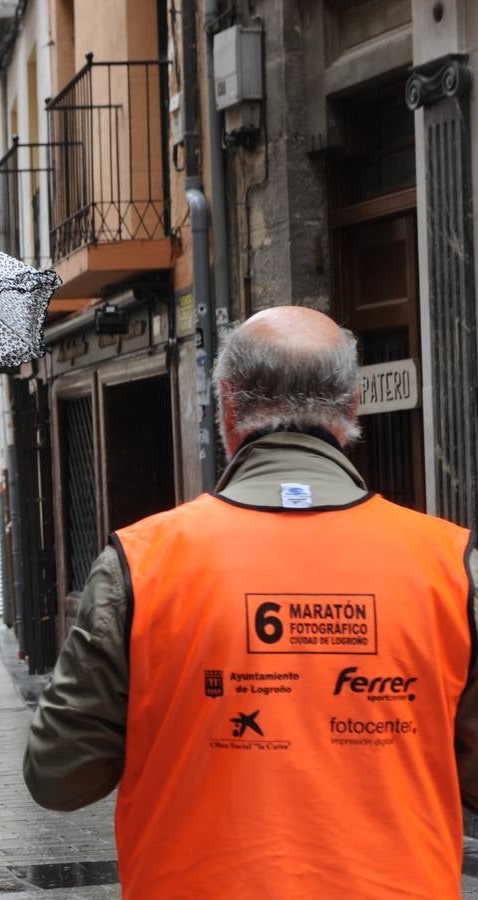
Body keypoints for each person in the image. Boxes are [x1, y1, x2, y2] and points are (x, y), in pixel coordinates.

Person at [24, 306, 478, 898]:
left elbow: (59, 777)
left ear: (228, 404)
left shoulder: (140, 564)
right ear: (353, 406)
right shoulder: (452, 566)